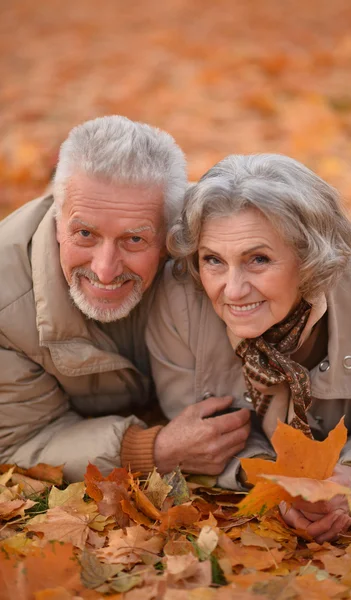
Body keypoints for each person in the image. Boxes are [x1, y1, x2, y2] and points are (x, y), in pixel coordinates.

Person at [146, 153, 351, 543]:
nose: (232, 290)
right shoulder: (179, 299)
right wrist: (275, 482)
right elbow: (201, 433)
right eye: (214, 259)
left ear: (309, 258)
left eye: (258, 259)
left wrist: (350, 478)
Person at [0, 116, 252, 482]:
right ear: (56, 220)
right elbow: (20, 439)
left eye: (134, 240)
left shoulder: (211, 229)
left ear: (171, 234)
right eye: (85, 233)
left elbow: (338, 247)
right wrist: (151, 451)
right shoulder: (5, 304)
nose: (104, 270)